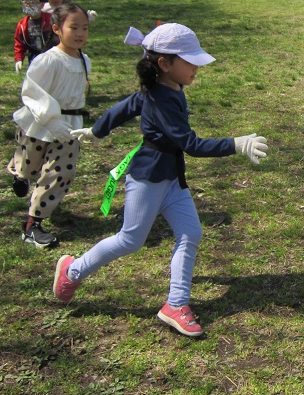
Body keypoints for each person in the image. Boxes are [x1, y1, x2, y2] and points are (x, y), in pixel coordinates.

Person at [53, 23, 269, 337]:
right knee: (130, 240)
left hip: (171, 179)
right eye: (189, 61)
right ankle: (72, 271)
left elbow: (126, 106)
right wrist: (236, 144)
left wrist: (98, 129)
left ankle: (176, 304)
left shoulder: (167, 88)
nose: (196, 67)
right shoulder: (160, 98)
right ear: (164, 64)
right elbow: (191, 144)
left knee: (190, 234)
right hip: (149, 179)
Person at [7, 4, 91, 248]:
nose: (80, 33)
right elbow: (32, 91)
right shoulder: (48, 60)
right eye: (73, 27)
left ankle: (33, 224)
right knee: (29, 166)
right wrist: (51, 119)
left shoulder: (85, 60)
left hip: (69, 128)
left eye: (84, 28)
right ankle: (19, 174)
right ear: (56, 28)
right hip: (40, 124)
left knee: (59, 173)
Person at [14, 0, 57, 74]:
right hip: (34, 58)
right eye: (26, 2)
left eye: (33, 2)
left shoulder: (51, 20)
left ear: (42, 4)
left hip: (53, 57)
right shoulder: (22, 25)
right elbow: (19, 43)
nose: (29, 5)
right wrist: (19, 59)